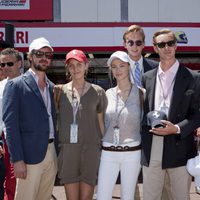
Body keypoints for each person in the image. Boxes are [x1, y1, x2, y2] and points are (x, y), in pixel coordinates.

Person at [141, 28, 200, 200]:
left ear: (176, 46)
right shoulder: (147, 77)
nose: (167, 47)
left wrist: (176, 128)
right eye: (162, 44)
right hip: (152, 145)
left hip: (179, 144)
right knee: (151, 197)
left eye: (171, 43)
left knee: (180, 196)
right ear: (155, 48)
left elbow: (198, 113)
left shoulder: (193, 77)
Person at [2, 37, 57, 200]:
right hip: (28, 157)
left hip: (51, 153)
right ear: (30, 57)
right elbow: (10, 126)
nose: (44, 57)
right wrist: (17, 159)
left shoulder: (52, 87)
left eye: (48, 54)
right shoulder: (15, 85)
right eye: (39, 53)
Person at [55, 49, 107, 200]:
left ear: (86, 65)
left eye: (79, 64)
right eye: (71, 65)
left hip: (91, 150)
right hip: (69, 151)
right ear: (67, 68)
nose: (75, 69)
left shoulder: (98, 92)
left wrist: (105, 150)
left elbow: (101, 124)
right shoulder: (59, 91)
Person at [97, 51, 142, 199]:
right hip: (108, 152)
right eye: (114, 67)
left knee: (128, 197)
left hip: (133, 153)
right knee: (103, 196)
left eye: (122, 65)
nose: (118, 70)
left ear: (129, 66)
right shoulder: (106, 94)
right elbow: (102, 123)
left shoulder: (142, 93)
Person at [0, 48, 22, 200]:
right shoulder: (0, 87)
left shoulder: (30, 83)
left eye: (9, 63)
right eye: (2, 65)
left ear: (19, 63)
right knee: (10, 182)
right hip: (8, 143)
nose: (5, 67)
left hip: (29, 142)